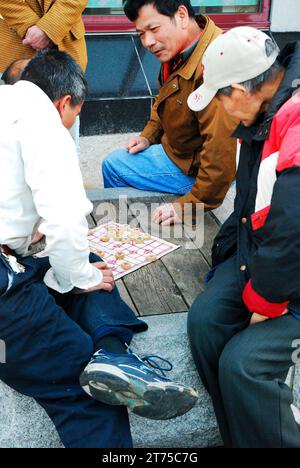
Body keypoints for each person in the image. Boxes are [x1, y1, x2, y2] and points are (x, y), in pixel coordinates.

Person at [0, 49, 198, 449]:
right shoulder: (45, 123)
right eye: (75, 116)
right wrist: (77, 278)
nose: (71, 124)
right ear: (64, 102)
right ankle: (106, 362)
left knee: (89, 265)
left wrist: (76, 273)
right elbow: (65, 216)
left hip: (12, 260)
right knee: (88, 392)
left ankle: (113, 353)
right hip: (6, 297)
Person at [187, 27, 300, 448]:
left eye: (219, 98)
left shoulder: (293, 119)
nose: (221, 108)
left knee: (243, 364)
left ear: (239, 89)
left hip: (289, 273)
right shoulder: (264, 111)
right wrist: (226, 262)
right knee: (205, 321)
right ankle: (242, 437)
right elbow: (251, 205)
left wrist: (263, 303)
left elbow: (292, 231)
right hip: (264, 258)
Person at [102, 0, 237, 226]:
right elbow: (164, 99)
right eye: (141, 34)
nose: (147, 42)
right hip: (180, 152)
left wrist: (187, 206)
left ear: (182, 15)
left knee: (113, 165)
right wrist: (149, 135)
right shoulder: (184, 47)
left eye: (154, 29)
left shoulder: (215, 64)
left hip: (195, 169)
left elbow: (221, 156)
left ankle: (124, 235)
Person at [0, 1, 89, 152]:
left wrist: (49, 28)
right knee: (9, 139)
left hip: (64, 40)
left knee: (64, 145)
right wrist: (31, 28)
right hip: (13, 46)